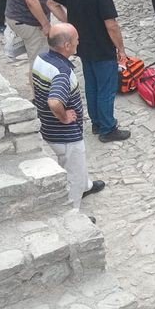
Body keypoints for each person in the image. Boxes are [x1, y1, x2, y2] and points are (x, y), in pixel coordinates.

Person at [49, 0, 131, 144]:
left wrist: (68, 22)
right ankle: (108, 128)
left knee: (92, 85)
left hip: (82, 46)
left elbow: (51, 2)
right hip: (102, 48)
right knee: (106, 89)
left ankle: (96, 123)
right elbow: (111, 25)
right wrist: (121, 49)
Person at [32, 24, 105, 210]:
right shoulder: (62, 73)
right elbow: (54, 102)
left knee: (78, 164)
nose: (78, 42)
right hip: (65, 135)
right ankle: (74, 213)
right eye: (76, 40)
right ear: (66, 45)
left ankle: (86, 185)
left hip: (48, 127)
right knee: (73, 173)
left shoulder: (41, 58)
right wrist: (64, 117)